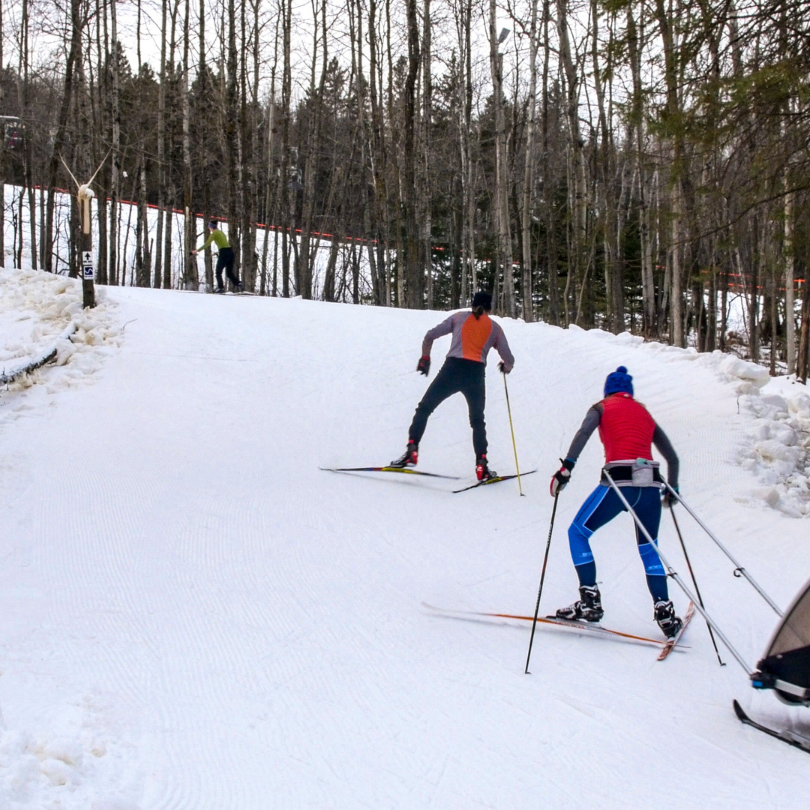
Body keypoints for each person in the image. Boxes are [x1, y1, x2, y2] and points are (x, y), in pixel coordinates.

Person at [549, 366, 683, 638]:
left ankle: (590, 603)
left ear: (607, 390)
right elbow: (673, 458)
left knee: (578, 532)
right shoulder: (645, 414)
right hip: (649, 483)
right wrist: (673, 488)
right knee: (649, 549)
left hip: (618, 482)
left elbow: (583, 434)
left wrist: (566, 469)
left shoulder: (601, 407)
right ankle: (665, 612)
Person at [390, 291, 515, 481]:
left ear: (472, 304)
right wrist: (505, 367)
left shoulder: (458, 318)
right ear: (490, 308)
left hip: (451, 370)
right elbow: (509, 359)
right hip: (475, 375)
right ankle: (482, 465)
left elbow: (430, 336)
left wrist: (425, 358)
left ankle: (411, 451)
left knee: (424, 409)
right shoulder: (495, 328)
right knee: (477, 421)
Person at [191, 220, 243, 293]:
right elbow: (223, 242)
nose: (208, 228)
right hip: (230, 252)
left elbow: (207, 244)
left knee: (218, 272)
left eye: (209, 226)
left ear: (211, 226)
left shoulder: (214, 234)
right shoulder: (220, 232)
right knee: (229, 273)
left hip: (224, 253)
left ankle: (220, 288)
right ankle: (238, 283)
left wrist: (196, 250)